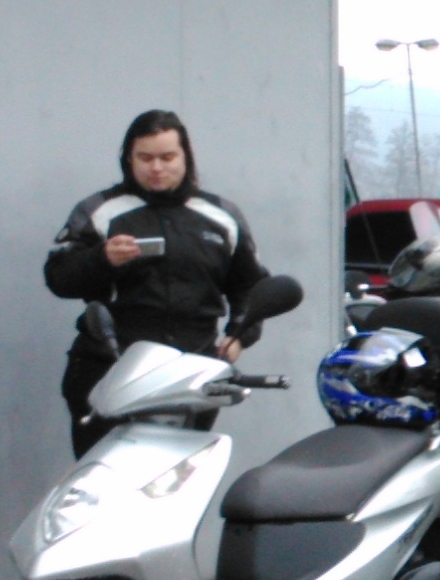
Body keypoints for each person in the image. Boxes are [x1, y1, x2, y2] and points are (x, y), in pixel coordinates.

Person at [45, 110, 275, 453]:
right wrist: (101, 259)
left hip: (192, 368)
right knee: (107, 476)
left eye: (167, 157)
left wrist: (240, 335)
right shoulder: (99, 210)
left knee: (179, 472)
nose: (156, 168)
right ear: (128, 159)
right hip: (111, 364)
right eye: (145, 158)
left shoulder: (221, 217)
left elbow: (251, 287)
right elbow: (59, 278)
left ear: (186, 157)